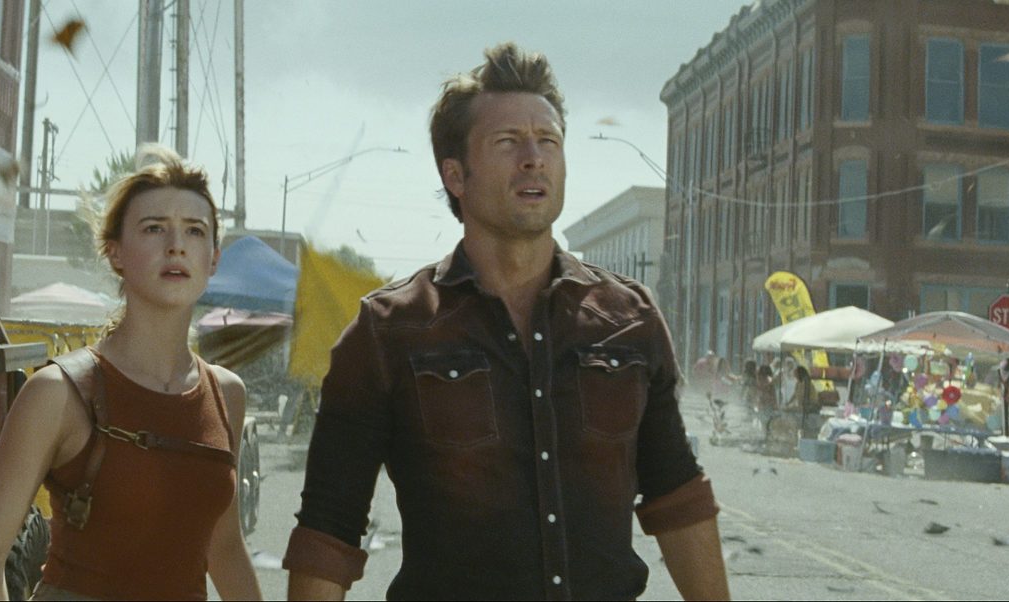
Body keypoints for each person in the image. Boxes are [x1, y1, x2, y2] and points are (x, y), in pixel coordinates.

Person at [282, 42, 730, 600]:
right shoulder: (389, 331)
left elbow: (677, 496)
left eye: (549, 141)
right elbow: (328, 529)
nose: (533, 158)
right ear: (455, 175)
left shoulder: (628, 318)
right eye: (507, 142)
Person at [0, 148, 262, 600]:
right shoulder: (59, 392)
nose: (176, 245)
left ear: (214, 259)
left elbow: (225, 548)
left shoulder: (226, 395)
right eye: (154, 228)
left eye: (194, 230)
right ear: (115, 252)